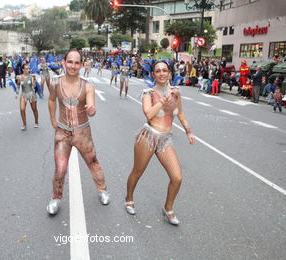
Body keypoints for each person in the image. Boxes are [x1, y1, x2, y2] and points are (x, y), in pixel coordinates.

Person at [124, 60, 195, 226]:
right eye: (158, 71)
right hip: (148, 136)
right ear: (153, 74)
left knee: (177, 177)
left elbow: (181, 114)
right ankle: (128, 198)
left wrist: (188, 131)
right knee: (137, 171)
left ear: (169, 73)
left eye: (164, 70)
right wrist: (163, 100)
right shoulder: (148, 93)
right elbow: (149, 114)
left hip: (165, 139)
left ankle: (168, 208)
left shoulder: (176, 93)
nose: (162, 73)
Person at [46, 49, 110, 215]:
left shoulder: (88, 86)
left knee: (93, 161)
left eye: (76, 63)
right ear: (63, 62)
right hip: (63, 132)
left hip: (83, 132)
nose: (73, 66)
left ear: (81, 65)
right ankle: (55, 198)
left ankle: (102, 190)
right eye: (70, 62)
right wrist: (53, 119)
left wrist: (91, 110)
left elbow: (92, 109)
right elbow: (51, 100)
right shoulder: (55, 83)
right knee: (60, 168)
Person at [15, 64, 39, 130]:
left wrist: (34, 79)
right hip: (23, 94)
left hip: (31, 94)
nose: (28, 70)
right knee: (22, 109)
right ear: (23, 69)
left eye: (29, 68)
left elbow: (34, 86)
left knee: (34, 109)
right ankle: (24, 124)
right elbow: (18, 86)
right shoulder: (19, 77)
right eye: (26, 68)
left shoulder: (31, 76)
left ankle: (36, 122)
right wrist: (17, 94)